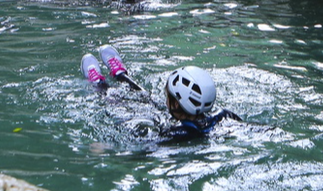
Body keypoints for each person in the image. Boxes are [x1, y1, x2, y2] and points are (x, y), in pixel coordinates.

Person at [81, 46, 240, 142]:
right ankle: (120, 74)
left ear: (175, 103)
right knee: (149, 100)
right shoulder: (224, 116)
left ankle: (98, 84)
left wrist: (107, 146)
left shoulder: (174, 133)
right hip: (182, 120)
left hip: (169, 122)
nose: (165, 97)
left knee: (128, 105)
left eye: (168, 95)